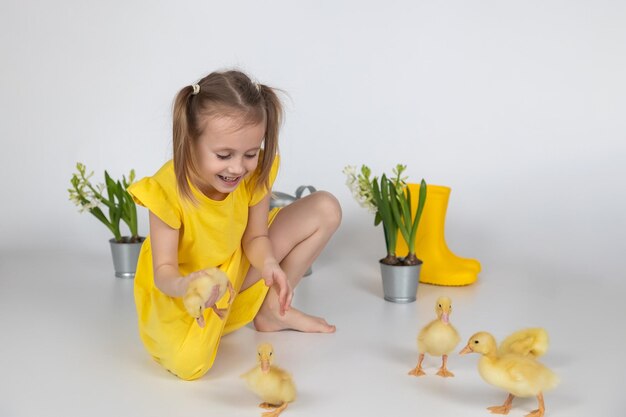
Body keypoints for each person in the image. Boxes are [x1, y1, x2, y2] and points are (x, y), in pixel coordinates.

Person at [128, 70, 341, 381]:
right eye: (224, 155)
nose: (238, 167)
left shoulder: (253, 173)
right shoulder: (167, 190)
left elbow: (255, 236)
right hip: (188, 293)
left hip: (236, 269)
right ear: (190, 142)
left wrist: (269, 264)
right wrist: (187, 287)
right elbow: (163, 272)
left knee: (325, 208)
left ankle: (271, 311)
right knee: (190, 367)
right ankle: (213, 320)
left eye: (250, 154)